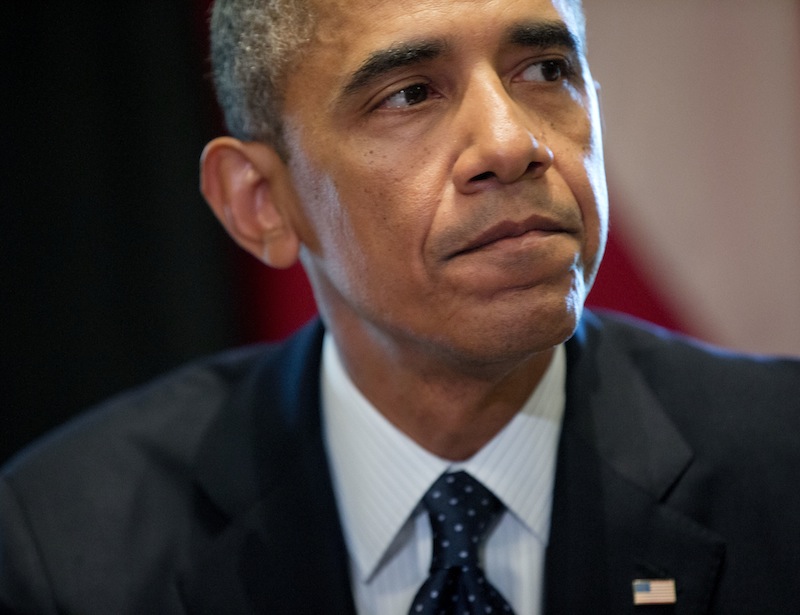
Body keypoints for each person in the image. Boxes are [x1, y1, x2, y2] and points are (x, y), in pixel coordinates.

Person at [1, 0, 799, 613]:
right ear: (261, 203)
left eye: (546, 70)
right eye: (410, 93)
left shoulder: (783, 464)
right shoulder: (68, 543)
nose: (512, 143)